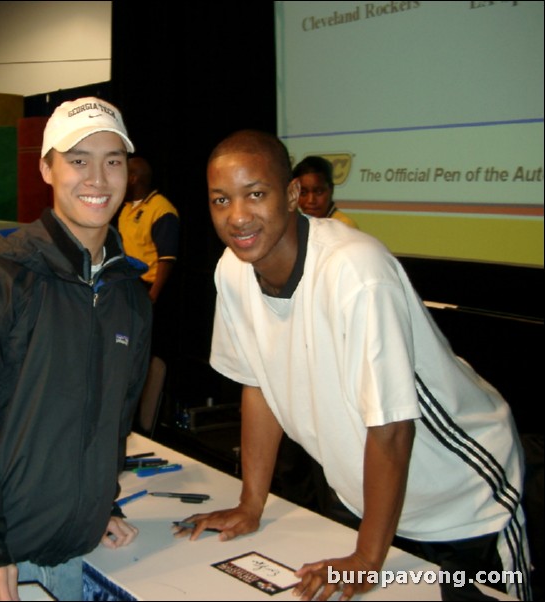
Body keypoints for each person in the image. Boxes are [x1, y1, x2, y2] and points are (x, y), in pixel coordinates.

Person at [177, 130, 530, 601]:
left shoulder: (356, 272)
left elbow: (392, 427)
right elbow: (258, 386)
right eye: (221, 199)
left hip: (463, 503)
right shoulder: (233, 269)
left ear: (292, 195)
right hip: (373, 509)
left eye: (255, 194)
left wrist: (366, 558)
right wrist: (250, 503)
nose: (237, 216)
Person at [0, 97, 151, 601]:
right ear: (46, 168)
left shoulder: (127, 294)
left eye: (113, 161)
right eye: (78, 160)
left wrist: (99, 504)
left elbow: (110, 420)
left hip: (64, 553)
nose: (98, 179)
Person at [117, 156, 180, 433]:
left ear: (134, 178)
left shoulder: (161, 210)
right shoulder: (126, 209)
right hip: (127, 290)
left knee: (148, 358)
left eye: (122, 172)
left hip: (150, 291)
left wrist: (152, 297)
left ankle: (147, 425)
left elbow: (167, 259)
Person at [292, 155, 357, 228]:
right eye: (303, 193)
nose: (311, 200)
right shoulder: (297, 225)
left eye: (318, 192)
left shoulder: (344, 225)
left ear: (331, 189)